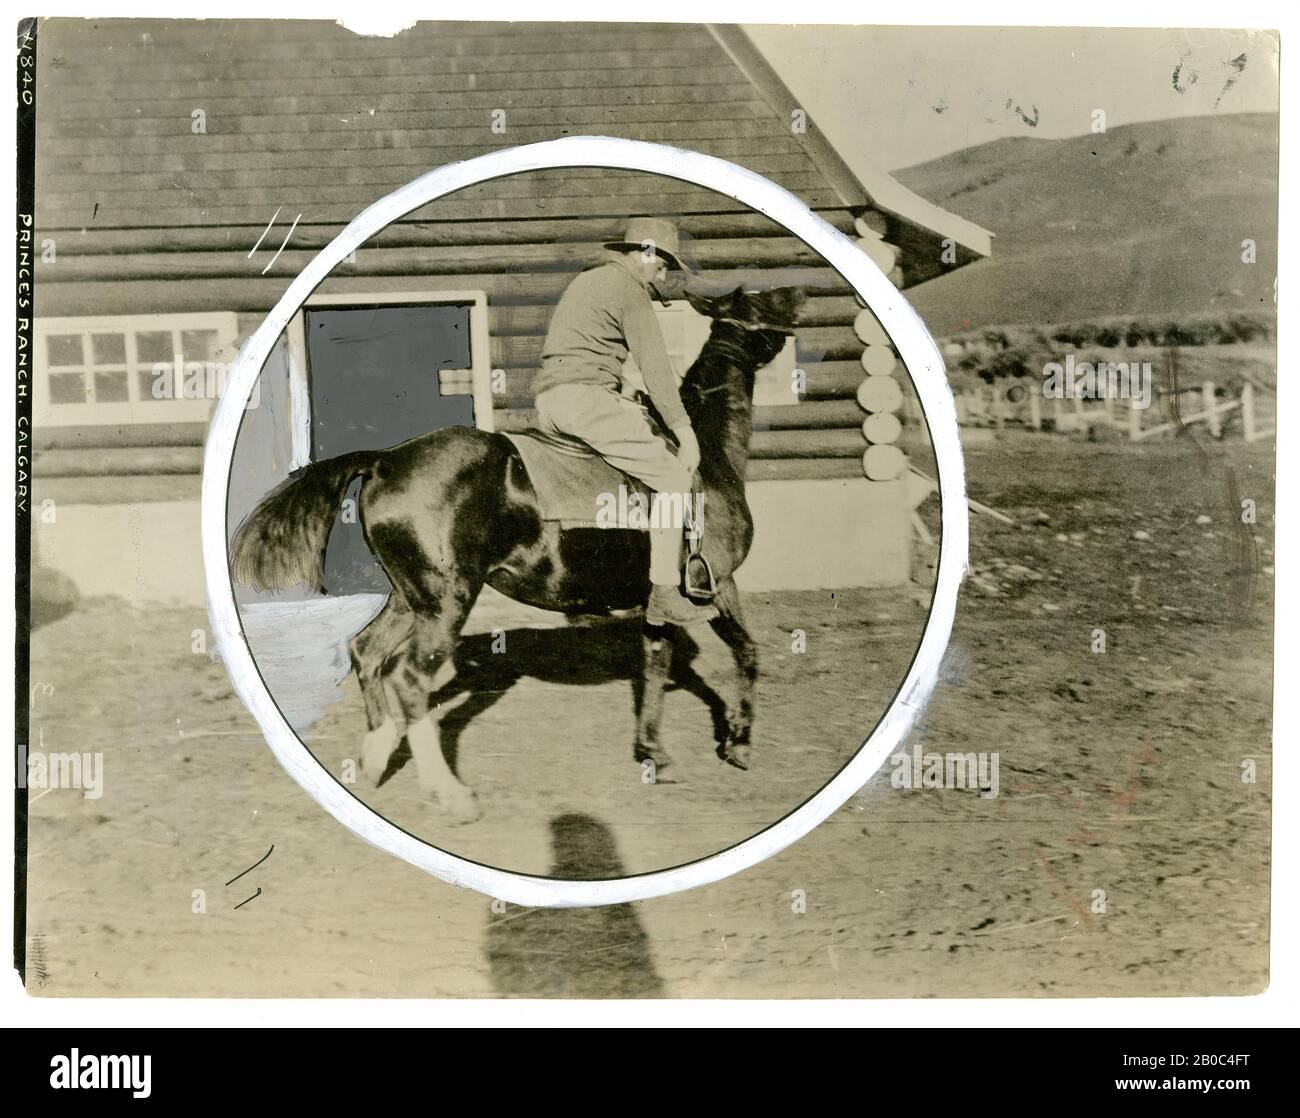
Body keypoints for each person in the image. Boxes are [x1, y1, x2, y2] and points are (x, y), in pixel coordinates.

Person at [531, 217, 717, 626]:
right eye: (664, 265)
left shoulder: (588, 282)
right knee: (672, 479)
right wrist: (685, 433)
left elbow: (584, 349)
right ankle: (665, 592)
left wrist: (622, 390)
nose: (663, 275)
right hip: (584, 401)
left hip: (550, 402)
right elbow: (656, 368)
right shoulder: (629, 290)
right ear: (646, 254)